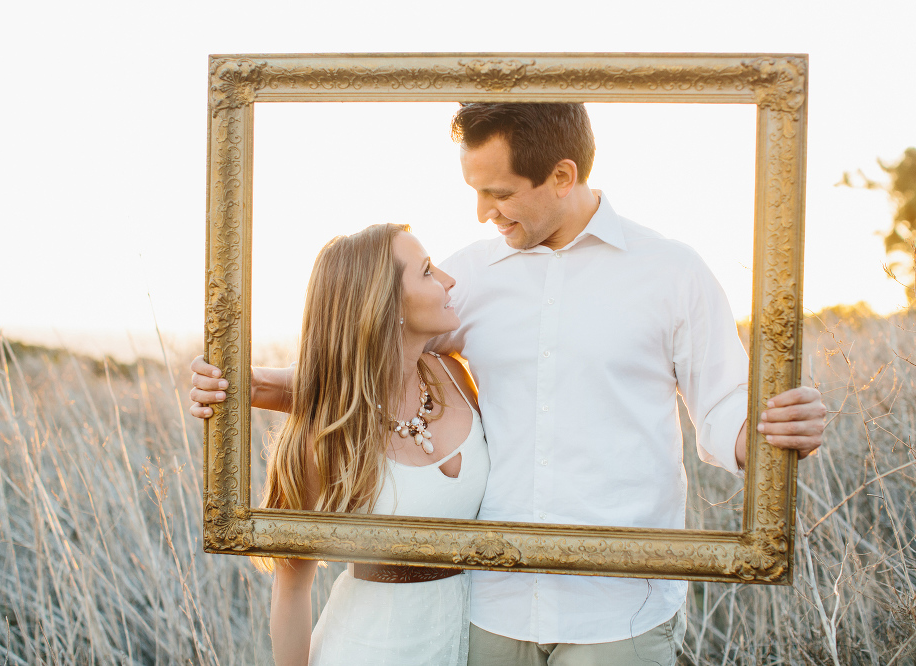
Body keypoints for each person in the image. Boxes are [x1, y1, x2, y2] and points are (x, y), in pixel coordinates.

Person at [192, 103, 827, 666]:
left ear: (562, 176)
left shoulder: (671, 272)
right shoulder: (468, 276)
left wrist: (770, 433)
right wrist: (247, 387)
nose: (480, 212)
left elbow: (722, 406)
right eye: (474, 191)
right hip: (488, 609)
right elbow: (377, 366)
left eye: (497, 192)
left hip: (619, 608)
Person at [214, 223, 489, 666]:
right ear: (384, 304)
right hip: (365, 650)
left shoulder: (456, 378)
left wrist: (259, 382)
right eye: (426, 272)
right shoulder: (328, 437)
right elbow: (293, 586)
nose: (448, 280)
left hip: (466, 644)